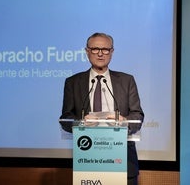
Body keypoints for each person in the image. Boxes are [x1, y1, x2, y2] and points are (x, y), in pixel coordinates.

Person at [59, 32, 144, 185]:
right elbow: (66, 118)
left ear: (112, 52)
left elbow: (137, 115)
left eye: (105, 49)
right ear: (87, 51)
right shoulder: (73, 82)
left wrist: (124, 121)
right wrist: (81, 123)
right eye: (95, 49)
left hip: (123, 160)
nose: (100, 54)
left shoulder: (127, 80)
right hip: (88, 160)